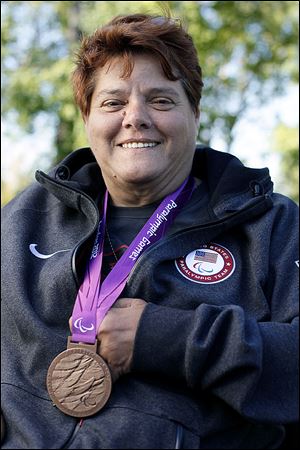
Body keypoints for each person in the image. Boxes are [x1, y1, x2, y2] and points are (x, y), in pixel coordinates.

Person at [1, 13, 298, 450]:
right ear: (87, 116)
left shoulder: (270, 225)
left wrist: (165, 339)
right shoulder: (22, 220)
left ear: (194, 113)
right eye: (113, 102)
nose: (136, 117)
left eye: (161, 100)